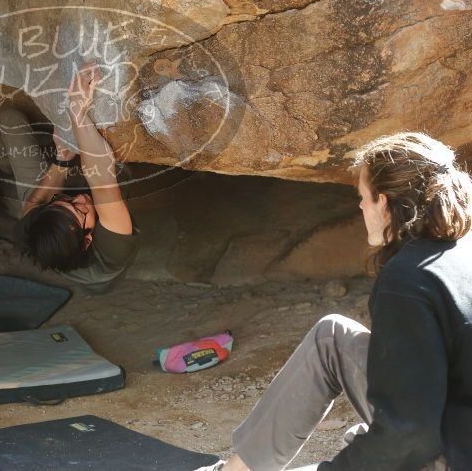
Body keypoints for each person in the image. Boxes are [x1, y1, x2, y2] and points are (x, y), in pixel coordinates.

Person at [199, 132, 472, 471]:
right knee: (332, 336)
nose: (359, 207)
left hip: (451, 453)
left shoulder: (407, 280)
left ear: (384, 204)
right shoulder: (462, 251)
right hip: (455, 426)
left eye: (363, 197)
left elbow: (412, 433)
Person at [0, 63, 140, 294]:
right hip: (101, 280)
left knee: (8, 118)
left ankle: (4, 161)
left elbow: (32, 206)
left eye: (65, 201)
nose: (79, 198)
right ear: (88, 239)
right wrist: (77, 110)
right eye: (79, 209)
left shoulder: (35, 230)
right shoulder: (113, 247)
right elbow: (101, 178)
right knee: (119, 171)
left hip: (57, 231)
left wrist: (61, 161)